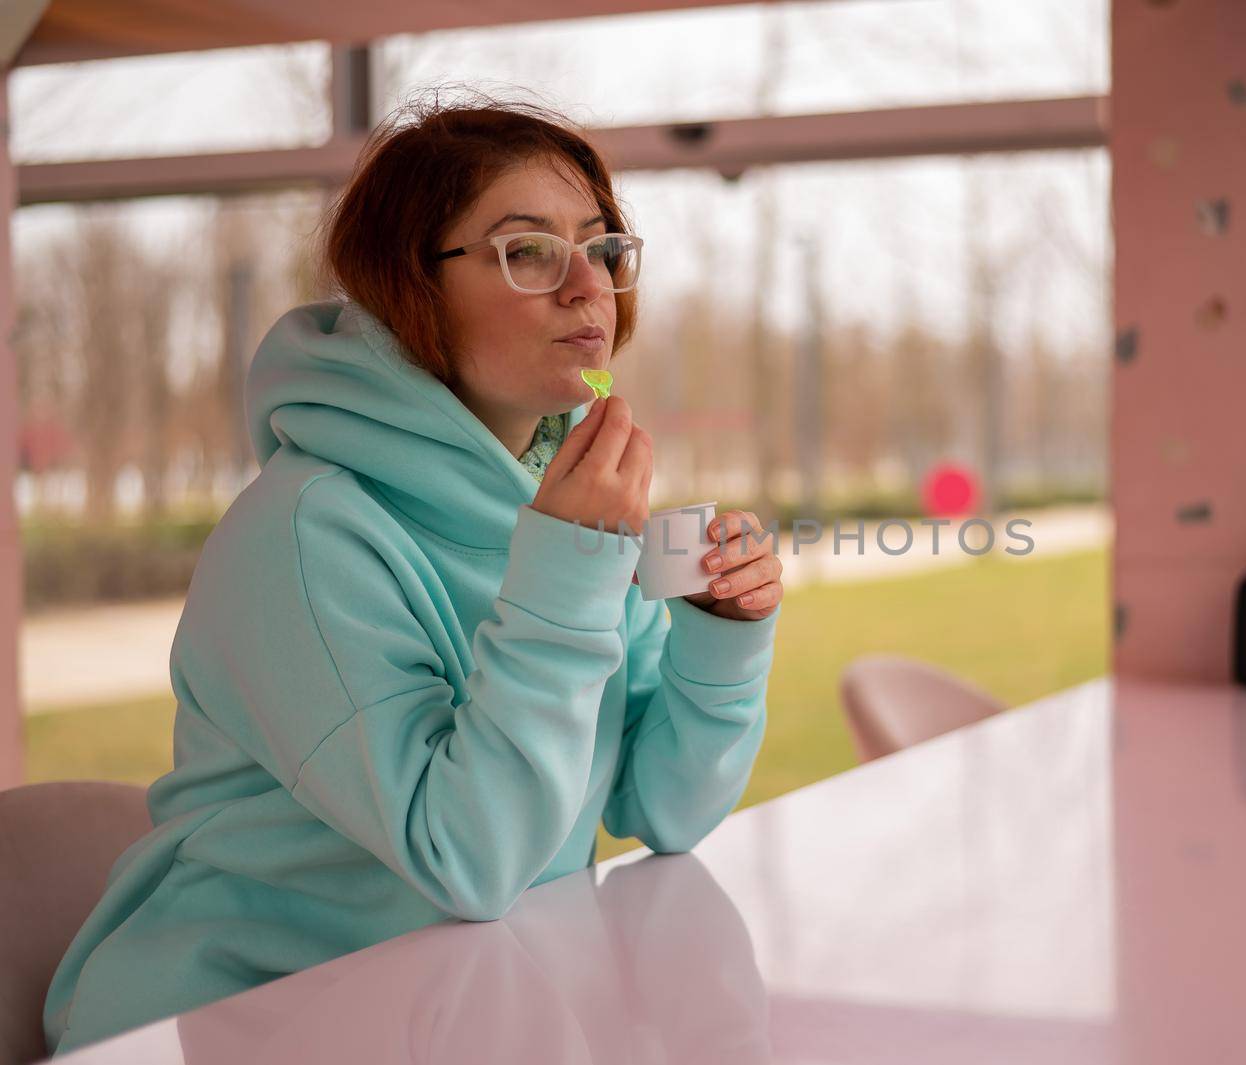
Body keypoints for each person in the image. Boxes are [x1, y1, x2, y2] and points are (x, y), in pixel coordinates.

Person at [42, 88, 783, 1057]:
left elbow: (665, 810)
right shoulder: (307, 533)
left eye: (601, 247)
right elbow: (467, 862)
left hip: (467, 1004)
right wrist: (566, 578)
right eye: (528, 251)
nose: (587, 286)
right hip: (249, 1022)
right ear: (410, 288)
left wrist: (720, 640)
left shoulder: (563, 501)